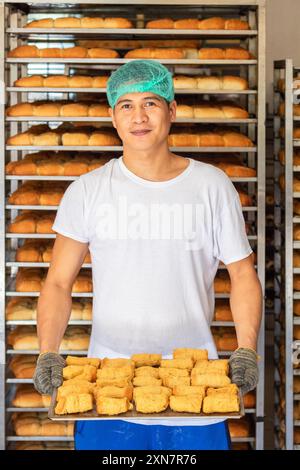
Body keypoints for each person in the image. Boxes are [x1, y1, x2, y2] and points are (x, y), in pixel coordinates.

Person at [33, 59, 262, 450]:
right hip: (106, 384)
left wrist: (247, 349)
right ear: (112, 117)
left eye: (151, 103)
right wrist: (46, 353)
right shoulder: (88, 190)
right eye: (126, 105)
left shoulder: (212, 185)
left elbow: (242, 274)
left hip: (196, 382)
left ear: (172, 111)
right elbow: (57, 281)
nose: (139, 116)